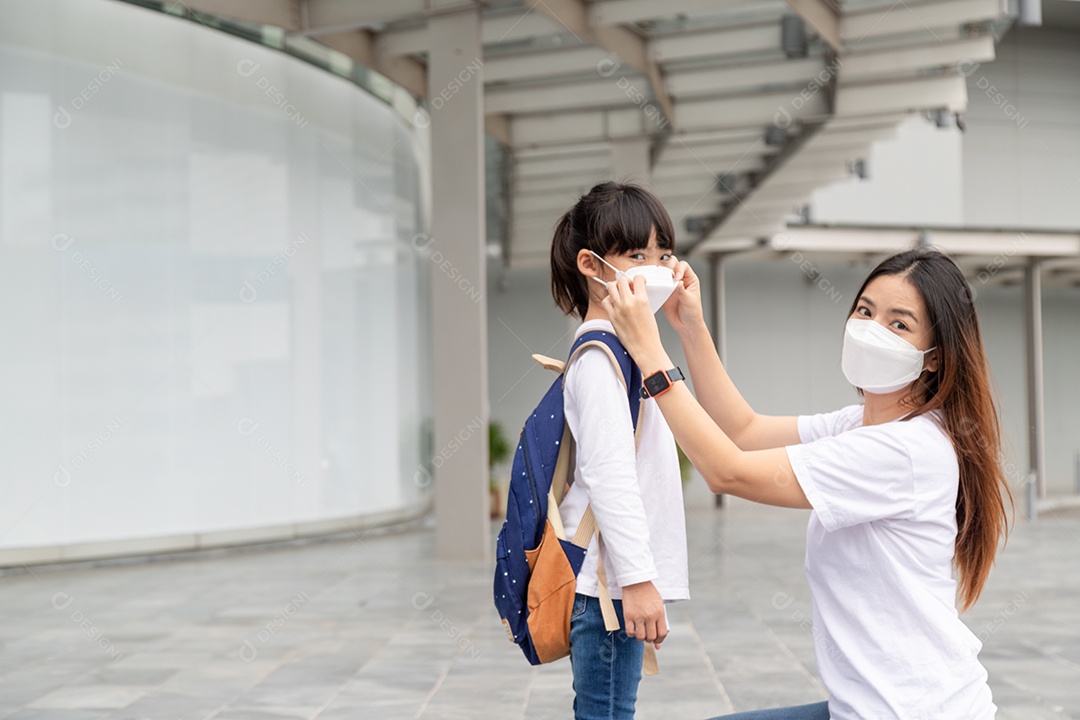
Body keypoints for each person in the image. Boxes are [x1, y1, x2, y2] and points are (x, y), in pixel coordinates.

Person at [601, 249, 1011, 719]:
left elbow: (727, 470)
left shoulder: (906, 450)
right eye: (865, 310)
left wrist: (648, 352)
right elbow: (744, 431)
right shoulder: (858, 426)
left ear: (935, 358)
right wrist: (689, 324)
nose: (872, 329)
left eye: (899, 324)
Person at [550, 182, 690, 720]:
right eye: (637, 256)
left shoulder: (629, 351)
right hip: (606, 590)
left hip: (610, 587)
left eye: (664, 254)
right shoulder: (599, 357)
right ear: (591, 264)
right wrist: (638, 580)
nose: (656, 268)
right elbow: (609, 475)